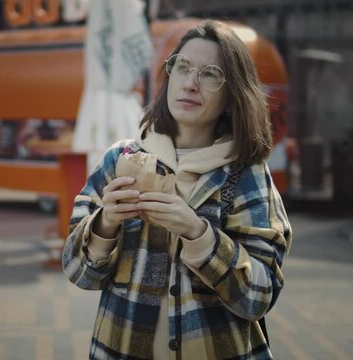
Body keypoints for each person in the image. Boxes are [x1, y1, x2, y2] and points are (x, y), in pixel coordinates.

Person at [62, 19, 292, 360]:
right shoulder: (120, 160)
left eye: (210, 74)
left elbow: (258, 297)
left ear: (231, 97)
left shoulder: (245, 174)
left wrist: (198, 233)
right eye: (182, 67)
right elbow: (77, 271)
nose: (190, 83)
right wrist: (105, 223)